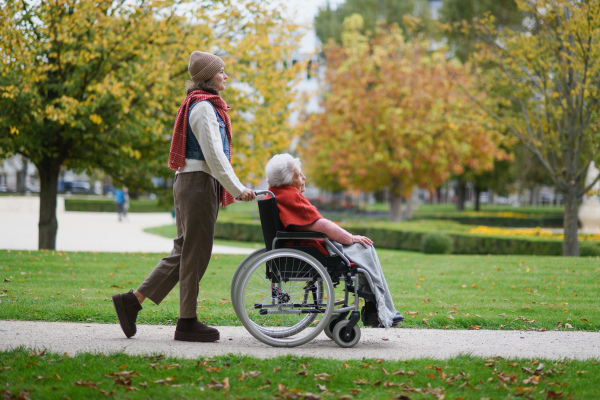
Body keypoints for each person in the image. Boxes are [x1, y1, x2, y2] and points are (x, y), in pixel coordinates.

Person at [112, 51, 256, 343]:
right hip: (198, 183)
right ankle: (186, 321)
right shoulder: (203, 108)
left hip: (193, 182)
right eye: (221, 72)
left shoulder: (203, 105)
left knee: (184, 251)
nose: (225, 76)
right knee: (194, 254)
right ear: (207, 77)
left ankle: (133, 302)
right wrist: (237, 188)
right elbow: (214, 155)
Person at [264, 153, 404, 329]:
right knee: (365, 248)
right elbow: (323, 226)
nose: (304, 177)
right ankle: (379, 309)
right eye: (299, 175)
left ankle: (374, 307)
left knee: (364, 249)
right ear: (287, 180)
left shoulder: (276, 193)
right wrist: (351, 238)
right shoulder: (290, 196)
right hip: (314, 250)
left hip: (304, 247)